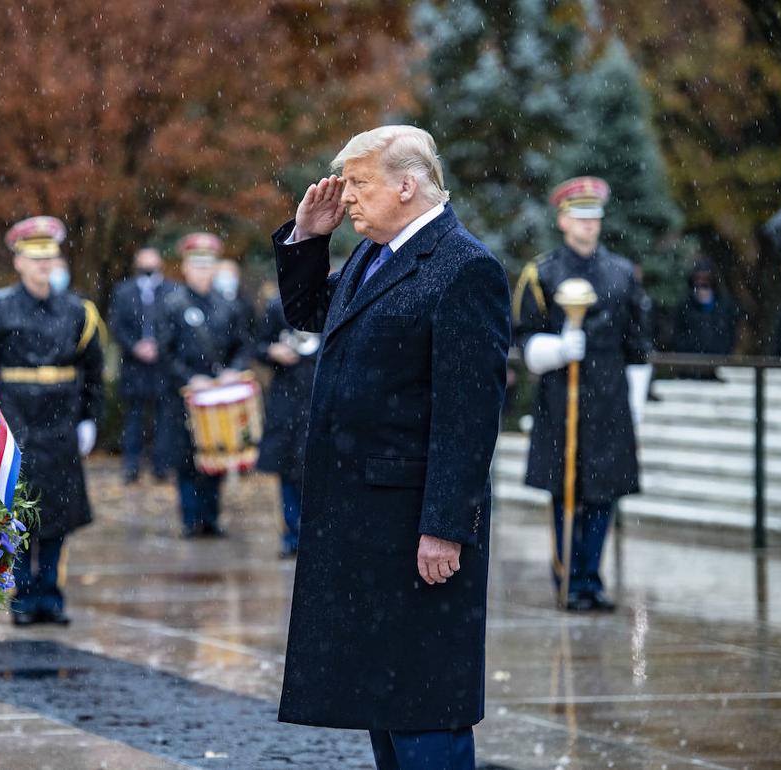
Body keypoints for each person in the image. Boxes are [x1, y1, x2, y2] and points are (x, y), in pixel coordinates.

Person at [272, 125, 509, 770]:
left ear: (407, 185)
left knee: (426, 706)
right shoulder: (372, 255)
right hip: (365, 522)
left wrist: (444, 527)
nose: (346, 197)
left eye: (359, 183)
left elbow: (469, 416)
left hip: (413, 526)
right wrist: (309, 239)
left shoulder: (463, 268)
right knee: (384, 702)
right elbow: (309, 313)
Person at [514, 176, 652, 612]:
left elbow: (637, 343)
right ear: (562, 220)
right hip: (562, 397)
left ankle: (592, 577)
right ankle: (568, 575)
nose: (587, 224)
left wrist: (636, 399)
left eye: (594, 217)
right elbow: (523, 337)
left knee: (602, 493)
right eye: (579, 216)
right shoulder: (543, 271)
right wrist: (555, 349)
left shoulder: (622, 272)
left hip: (609, 396)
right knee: (564, 489)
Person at [0, 216, 103, 626]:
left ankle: (51, 594)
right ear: (19, 262)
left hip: (61, 424)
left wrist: (89, 420)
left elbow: (93, 372)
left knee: (58, 516)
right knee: (20, 512)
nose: (45, 265)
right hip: (17, 423)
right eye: (35, 258)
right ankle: (24, 597)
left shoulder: (78, 311)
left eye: (50, 257)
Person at [157, 232, 250, 538]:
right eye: (197, 265)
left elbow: (243, 345)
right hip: (184, 395)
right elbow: (164, 352)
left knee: (217, 455)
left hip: (219, 392)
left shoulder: (228, 305)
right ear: (185, 267)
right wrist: (187, 378)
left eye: (208, 265)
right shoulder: (172, 304)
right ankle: (190, 519)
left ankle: (211, 517)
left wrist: (233, 371)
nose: (202, 271)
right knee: (186, 459)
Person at [254, 292, 318, 558]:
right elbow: (256, 345)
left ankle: (315, 536)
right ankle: (293, 535)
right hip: (287, 400)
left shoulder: (335, 296)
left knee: (317, 471)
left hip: (319, 396)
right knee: (289, 470)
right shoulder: (276, 306)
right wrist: (271, 351)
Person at [109, 246, 175, 483]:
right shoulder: (123, 291)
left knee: (163, 418)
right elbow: (116, 324)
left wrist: (159, 345)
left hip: (162, 366)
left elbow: (174, 325)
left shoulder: (172, 290)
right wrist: (135, 346)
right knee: (133, 418)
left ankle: (161, 465)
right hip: (133, 366)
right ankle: (131, 466)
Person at [671, 258, 739, 379]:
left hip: (717, 367)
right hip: (690, 367)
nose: (701, 283)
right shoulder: (685, 306)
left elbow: (730, 334)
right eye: (698, 279)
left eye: (706, 279)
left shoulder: (725, 305)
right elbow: (677, 334)